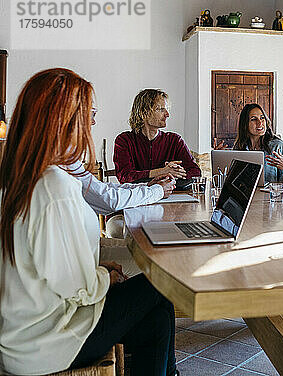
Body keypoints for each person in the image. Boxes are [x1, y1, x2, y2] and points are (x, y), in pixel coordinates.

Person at [0, 69, 178, 376]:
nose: (93, 122)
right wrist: (104, 277)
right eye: (90, 113)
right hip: (46, 341)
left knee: (157, 316)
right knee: (162, 287)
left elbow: (50, 264)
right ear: (67, 119)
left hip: (24, 330)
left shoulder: (25, 175)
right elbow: (78, 288)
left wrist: (98, 269)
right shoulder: (54, 187)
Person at [68, 107, 175, 216]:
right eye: (91, 114)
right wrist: (158, 189)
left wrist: (148, 186)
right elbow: (110, 199)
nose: (93, 122)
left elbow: (103, 188)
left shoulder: (174, 139)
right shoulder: (64, 161)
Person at [113, 88, 201, 183]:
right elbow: (124, 176)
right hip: (138, 197)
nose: (167, 114)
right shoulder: (124, 140)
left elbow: (195, 173)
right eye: (161, 110)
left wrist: (176, 170)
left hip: (172, 196)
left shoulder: (175, 140)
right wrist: (162, 171)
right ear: (144, 112)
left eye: (167, 110)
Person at [228, 103, 283, 183]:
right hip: (245, 195)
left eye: (262, 118)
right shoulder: (239, 147)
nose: (260, 123)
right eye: (253, 119)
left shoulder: (277, 146)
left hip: (270, 194)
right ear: (245, 124)